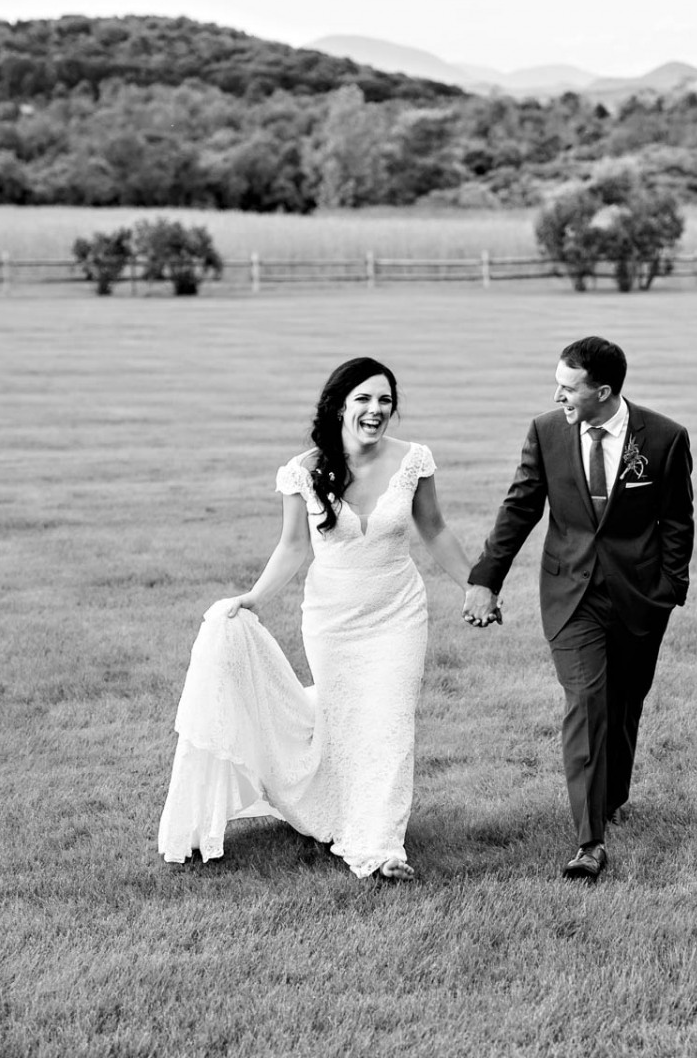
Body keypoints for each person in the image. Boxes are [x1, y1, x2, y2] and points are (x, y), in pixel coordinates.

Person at [158, 357, 477, 880]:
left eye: (384, 400)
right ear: (339, 406)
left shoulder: (414, 460)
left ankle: (379, 848)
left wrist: (476, 587)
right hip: (333, 621)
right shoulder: (303, 470)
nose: (376, 410)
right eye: (364, 400)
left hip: (398, 612)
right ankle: (330, 807)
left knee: (390, 723)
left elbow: (436, 530)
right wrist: (253, 599)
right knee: (347, 722)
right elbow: (291, 547)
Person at [463, 336, 694, 881]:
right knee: (586, 702)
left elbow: (678, 520)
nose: (558, 395)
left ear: (604, 391)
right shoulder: (547, 432)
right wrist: (484, 581)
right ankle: (590, 842)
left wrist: (669, 589)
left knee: (624, 702)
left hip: (640, 597)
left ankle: (610, 796)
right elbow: (519, 507)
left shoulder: (664, 438)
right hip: (571, 595)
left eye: (569, 388)